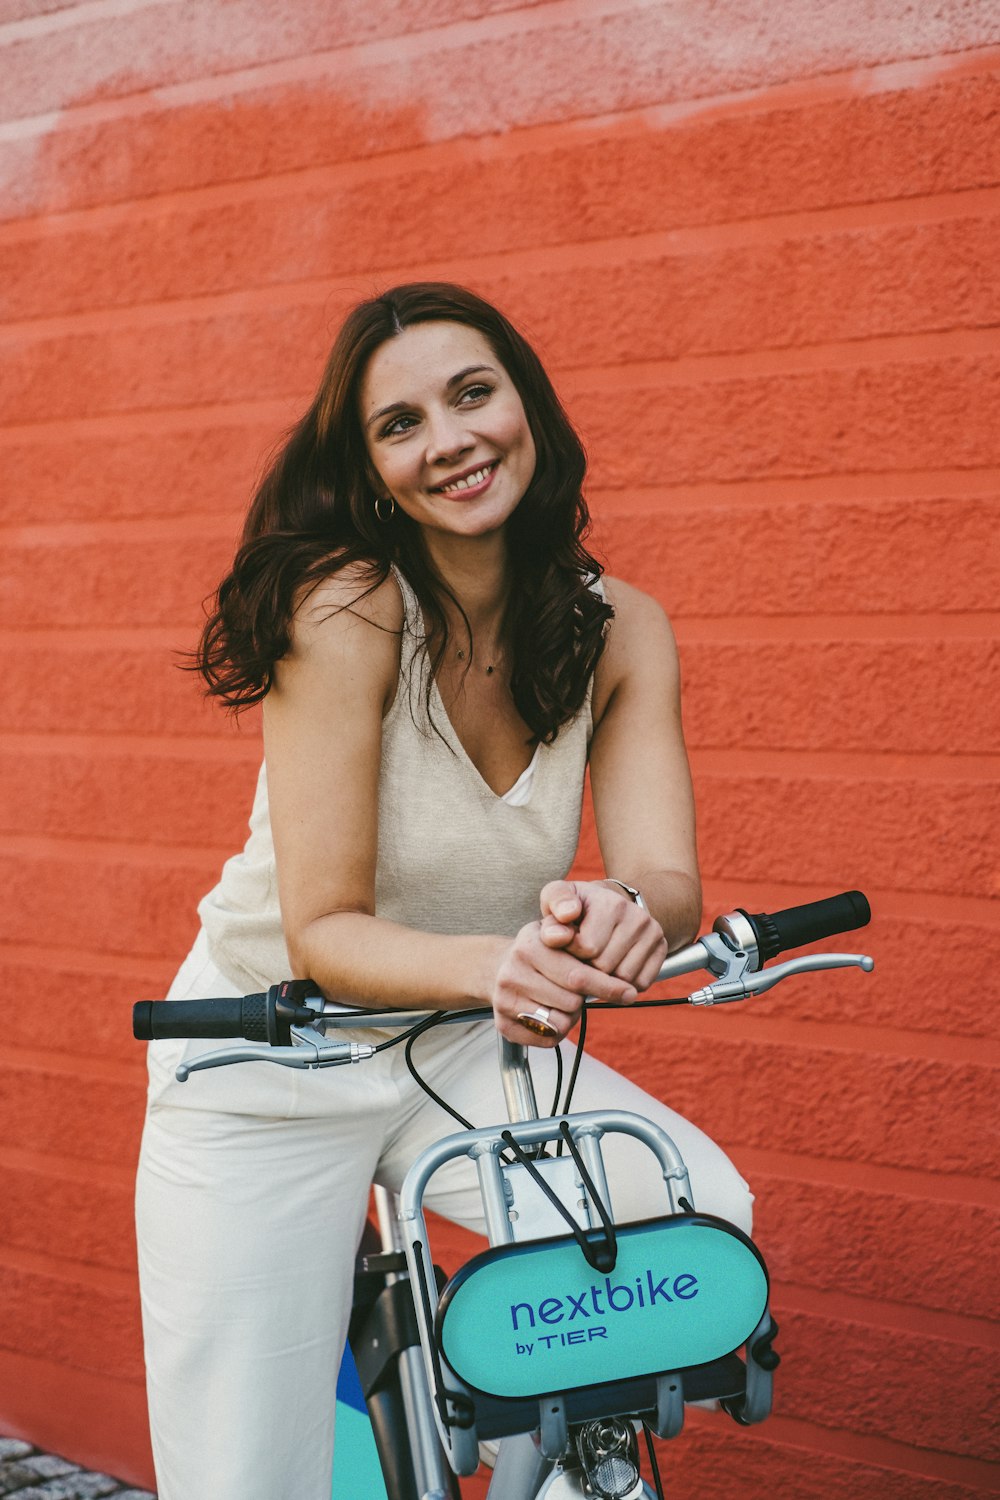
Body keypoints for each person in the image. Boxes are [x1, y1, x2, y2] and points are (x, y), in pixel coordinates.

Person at [135, 282, 752, 1499]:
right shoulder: (348, 606)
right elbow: (323, 930)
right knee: (246, 1475)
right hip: (267, 1058)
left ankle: (555, 1464)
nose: (452, 439)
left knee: (691, 1214)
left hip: (463, 1042)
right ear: (371, 473)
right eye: (401, 423)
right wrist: (501, 965)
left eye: (473, 394)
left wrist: (626, 913)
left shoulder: (623, 627)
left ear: (526, 405)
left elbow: (664, 876)